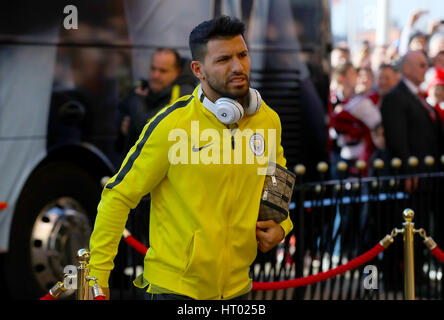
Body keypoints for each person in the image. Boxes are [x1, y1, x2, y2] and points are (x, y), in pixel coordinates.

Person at [88, 16, 293, 300]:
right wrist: (98, 276)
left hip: (238, 290)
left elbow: (276, 179)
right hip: (175, 290)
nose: (237, 66)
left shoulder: (267, 120)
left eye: (242, 55)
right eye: (223, 60)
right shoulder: (172, 126)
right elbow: (118, 196)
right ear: (199, 70)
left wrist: (282, 225)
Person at [381, 51, 444, 180]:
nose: (426, 69)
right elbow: (397, 140)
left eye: (427, 65)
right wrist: (407, 172)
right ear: (406, 68)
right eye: (422, 65)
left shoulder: (418, 96)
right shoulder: (395, 98)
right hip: (415, 175)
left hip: (429, 171)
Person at [118, 48, 196, 151]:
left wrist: (138, 102)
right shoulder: (141, 87)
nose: (156, 75)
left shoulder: (183, 94)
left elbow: (150, 129)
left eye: (163, 71)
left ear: (177, 71)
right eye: (153, 69)